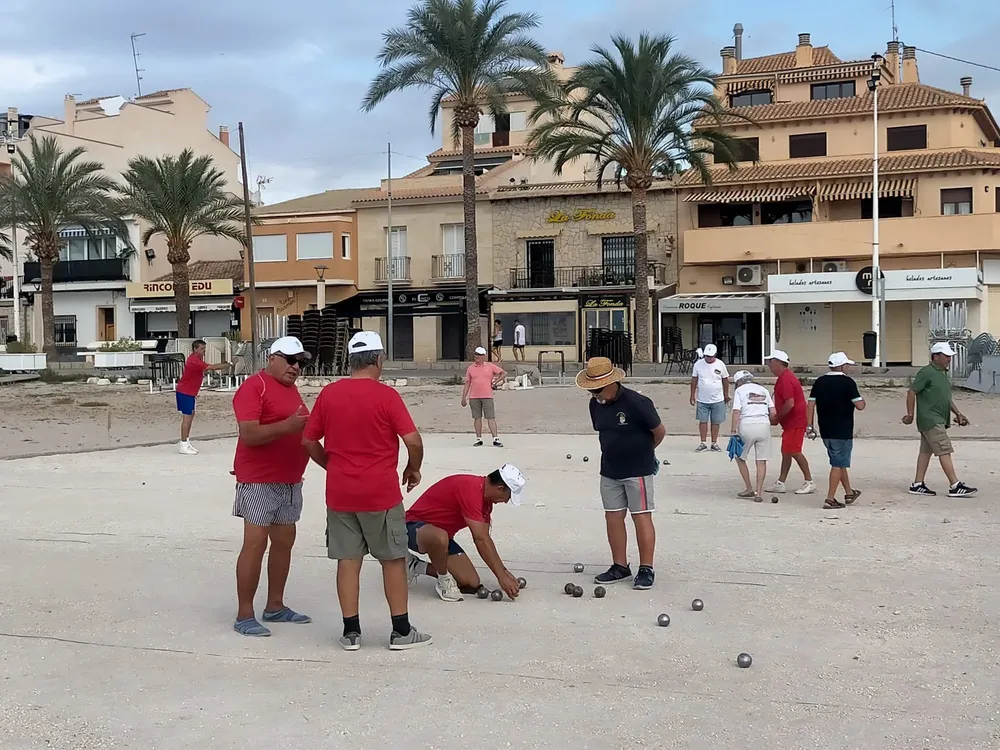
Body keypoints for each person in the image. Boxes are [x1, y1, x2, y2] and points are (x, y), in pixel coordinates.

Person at [302, 331, 432, 651]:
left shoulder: (329, 394)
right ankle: (401, 631)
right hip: (380, 494)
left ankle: (351, 632)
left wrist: (331, 467)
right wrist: (413, 468)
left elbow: (308, 440)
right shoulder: (386, 396)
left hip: (341, 493)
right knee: (392, 560)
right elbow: (413, 440)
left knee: (348, 561)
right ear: (378, 359)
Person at [230, 336, 312, 637]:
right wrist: (288, 427)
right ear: (272, 358)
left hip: (290, 480)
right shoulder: (255, 387)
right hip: (259, 480)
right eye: (290, 360)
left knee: (284, 542)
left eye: (301, 362)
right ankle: (244, 614)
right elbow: (249, 434)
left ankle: (275, 606)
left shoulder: (293, 392)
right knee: (255, 543)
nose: (296, 367)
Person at [577, 357, 666, 590]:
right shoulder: (594, 404)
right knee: (613, 517)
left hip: (638, 470)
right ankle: (620, 566)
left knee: (641, 516)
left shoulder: (637, 403)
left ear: (611, 383)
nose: (594, 394)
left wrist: (644, 454)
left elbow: (659, 432)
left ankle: (646, 568)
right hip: (609, 470)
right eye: (591, 390)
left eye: (597, 389)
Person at [404, 465, 526, 602]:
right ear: (500, 489)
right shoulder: (471, 490)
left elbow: (485, 539)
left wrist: (504, 572)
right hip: (412, 529)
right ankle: (443, 581)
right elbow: (480, 540)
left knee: (470, 582)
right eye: (508, 496)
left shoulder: (486, 501)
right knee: (439, 537)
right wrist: (501, 577)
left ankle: (413, 565)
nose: (506, 501)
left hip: (442, 537)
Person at [903, 342, 977, 497]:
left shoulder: (943, 373)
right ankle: (955, 485)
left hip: (937, 419)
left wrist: (958, 413)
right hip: (931, 419)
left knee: (925, 451)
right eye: (946, 356)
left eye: (950, 356)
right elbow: (911, 392)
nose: (949, 359)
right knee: (944, 450)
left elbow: (945, 398)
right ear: (935, 356)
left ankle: (917, 484)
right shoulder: (927, 372)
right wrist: (910, 415)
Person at [807, 352, 866, 510]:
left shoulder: (819, 382)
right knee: (838, 463)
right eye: (847, 365)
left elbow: (811, 404)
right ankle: (830, 498)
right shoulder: (848, 383)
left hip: (825, 429)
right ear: (842, 366)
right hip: (843, 429)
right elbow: (860, 405)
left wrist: (809, 425)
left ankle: (849, 492)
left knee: (839, 462)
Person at [764, 350, 816, 495]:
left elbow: (789, 403)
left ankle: (809, 481)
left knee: (794, 451)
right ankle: (781, 482)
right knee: (786, 451)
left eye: (771, 362)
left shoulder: (786, 379)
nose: (769, 365)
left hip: (795, 421)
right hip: (792, 422)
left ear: (779, 363)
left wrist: (777, 418)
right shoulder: (784, 377)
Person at [176, 339, 230, 455]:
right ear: (195, 349)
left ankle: (186, 441)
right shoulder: (193, 361)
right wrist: (228, 364)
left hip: (190, 392)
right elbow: (211, 367)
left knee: (191, 415)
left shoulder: (197, 359)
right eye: (202, 349)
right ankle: (183, 444)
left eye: (204, 349)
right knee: (187, 418)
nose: (204, 351)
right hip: (185, 392)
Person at [730, 370, 776, 502]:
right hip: (764, 425)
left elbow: (736, 412)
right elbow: (773, 411)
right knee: (761, 460)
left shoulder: (739, 391)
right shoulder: (763, 390)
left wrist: (733, 431)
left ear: (738, 382)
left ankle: (749, 487)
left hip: (747, 425)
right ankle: (759, 493)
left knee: (739, 456)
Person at [461, 346, 506, 447]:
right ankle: (479, 439)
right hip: (474, 396)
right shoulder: (471, 368)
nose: (477, 357)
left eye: (479, 355)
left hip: (487, 396)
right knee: (477, 418)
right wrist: (464, 397)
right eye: (476, 354)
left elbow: (503, 373)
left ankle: (495, 438)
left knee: (490, 417)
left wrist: (495, 382)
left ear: (483, 356)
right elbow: (467, 383)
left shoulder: (490, 366)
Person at [690, 343, 729, 452]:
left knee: (716, 422)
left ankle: (714, 442)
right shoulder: (698, 364)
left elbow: (725, 380)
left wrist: (726, 394)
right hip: (702, 399)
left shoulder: (720, 364)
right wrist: (692, 394)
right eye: (707, 356)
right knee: (703, 421)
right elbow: (694, 380)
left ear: (715, 355)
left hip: (718, 399)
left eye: (711, 356)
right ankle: (703, 442)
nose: (709, 358)